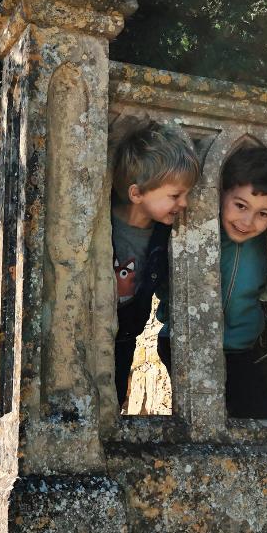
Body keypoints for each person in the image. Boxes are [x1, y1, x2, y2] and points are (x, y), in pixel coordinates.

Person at [110, 122, 200, 409]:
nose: (184, 203)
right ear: (136, 194)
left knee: (113, 402)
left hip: (126, 337)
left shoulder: (164, 235)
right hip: (95, 331)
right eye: (175, 195)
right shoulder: (103, 223)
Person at [219, 146, 267, 419]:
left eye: (263, 214)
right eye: (240, 206)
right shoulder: (199, 231)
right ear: (221, 193)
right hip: (182, 342)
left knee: (257, 419)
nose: (247, 221)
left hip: (241, 350)